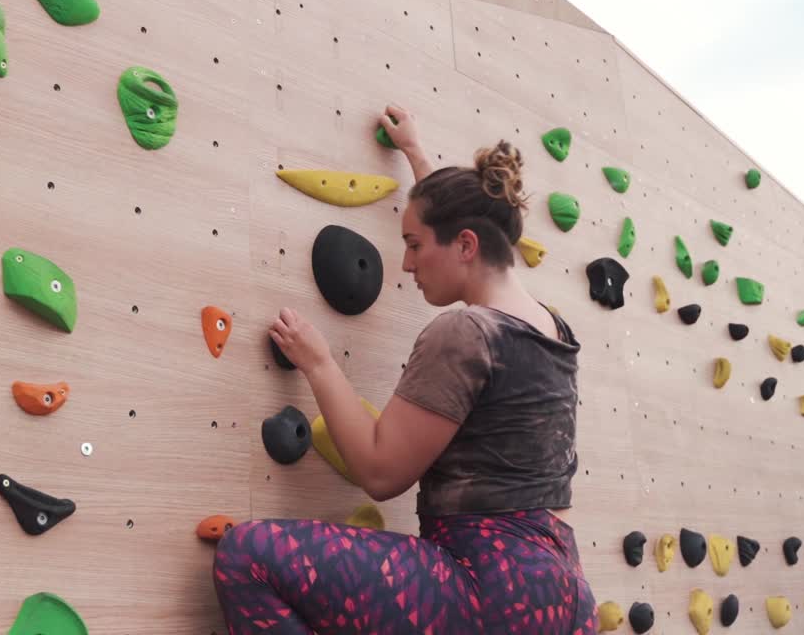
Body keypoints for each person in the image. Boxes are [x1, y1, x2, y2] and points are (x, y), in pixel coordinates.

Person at [212, 104, 597, 634]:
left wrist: (319, 362)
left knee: (246, 556)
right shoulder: (551, 328)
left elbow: (379, 472)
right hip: (565, 598)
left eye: (414, 245)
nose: (407, 264)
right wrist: (417, 156)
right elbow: (460, 227)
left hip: (488, 589)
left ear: (465, 244)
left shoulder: (465, 334)